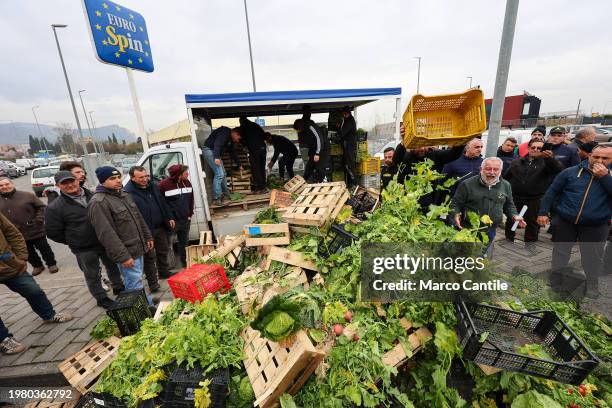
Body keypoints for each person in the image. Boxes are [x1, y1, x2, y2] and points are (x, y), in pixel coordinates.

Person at [537, 145, 612, 298]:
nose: (600, 160)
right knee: (560, 253)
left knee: (592, 257)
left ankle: (592, 284)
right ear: (590, 155)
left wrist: (605, 177)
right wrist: (543, 212)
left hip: (596, 224)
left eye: (605, 158)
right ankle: (556, 280)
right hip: (566, 220)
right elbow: (552, 191)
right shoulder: (571, 172)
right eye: (596, 157)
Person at [45, 171, 124, 309]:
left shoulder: (94, 196)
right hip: (83, 248)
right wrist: (74, 239)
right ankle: (101, 298)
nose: (70, 185)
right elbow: (53, 232)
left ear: (77, 180)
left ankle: (119, 287)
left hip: (104, 241)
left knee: (113, 266)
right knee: (92, 274)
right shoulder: (54, 207)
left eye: (72, 181)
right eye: (64, 183)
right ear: (58, 185)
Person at [0, 212, 72, 355]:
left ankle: (49, 315)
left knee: (33, 290)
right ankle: (3, 339)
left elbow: (12, 233)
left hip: (8, 264)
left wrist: (20, 258)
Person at [88, 166, 154, 298]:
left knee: (137, 280)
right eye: (112, 178)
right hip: (127, 252)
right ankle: (143, 311)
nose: (118, 180)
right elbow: (106, 234)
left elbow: (138, 217)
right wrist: (123, 256)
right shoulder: (99, 202)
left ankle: (145, 303)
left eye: (118, 177)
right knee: (134, 283)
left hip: (138, 247)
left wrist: (148, 236)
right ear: (102, 182)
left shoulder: (123, 194)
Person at [450, 157, 525, 255]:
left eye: (496, 169)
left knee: (480, 255)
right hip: (468, 229)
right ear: (481, 169)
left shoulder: (506, 185)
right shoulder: (467, 184)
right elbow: (455, 203)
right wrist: (455, 214)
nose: (492, 172)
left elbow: (509, 205)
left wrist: (515, 215)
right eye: (488, 169)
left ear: (501, 170)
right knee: (464, 256)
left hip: (490, 230)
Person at [503, 138, 564, 253]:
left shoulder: (546, 163)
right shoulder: (517, 161)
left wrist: (550, 158)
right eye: (533, 147)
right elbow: (506, 177)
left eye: (539, 148)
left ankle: (530, 245)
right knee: (512, 219)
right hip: (515, 196)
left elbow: (558, 169)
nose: (535, 149)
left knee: (532, 223)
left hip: (535, 198)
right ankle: (508, 238)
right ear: (529, 148)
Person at [125, 166, 176, 291]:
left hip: (160, 226)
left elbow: (162, 202)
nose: (145, 179)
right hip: (145, 230)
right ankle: (153, 283)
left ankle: (163, 271)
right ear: (133, 178)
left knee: (163, 250)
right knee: (149, 257)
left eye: (146, 176)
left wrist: (169, 217)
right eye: (141, 177)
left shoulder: (153, 186)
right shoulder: (128, 192)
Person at [0, 177, 58, 276]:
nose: (4, 187)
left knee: (44, 248)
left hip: (35, 229)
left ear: (12, 184)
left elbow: (42, 207)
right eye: (1, 185)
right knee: (28, 252)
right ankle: (37, 265)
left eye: (7, 184)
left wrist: (38, 220)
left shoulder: (27, 195)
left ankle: (51, 264)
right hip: (16, 235)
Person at [158, 164, 194, 268]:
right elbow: (161, 204)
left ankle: (185, 263)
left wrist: (190, 214)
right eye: (185, 172)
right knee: (168, 245)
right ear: (178, 175)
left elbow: (191, 199)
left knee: (184, 243)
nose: (187, 174)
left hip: (185, 220)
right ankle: (169, 266)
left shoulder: (187, 183)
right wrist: (169, 218)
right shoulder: (163, 185)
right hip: (172, 222)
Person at [202, 126, 242, 205]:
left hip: (214, 152)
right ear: (234, 133)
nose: (238, 140)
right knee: (219, 174)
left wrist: (239, 164)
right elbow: (217, 143)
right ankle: (217, 198)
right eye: (238, 138)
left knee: (223, 173)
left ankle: (226, 194)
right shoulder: (225, 132)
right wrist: (216, 157)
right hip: (209, 151)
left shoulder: (230, 140)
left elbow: (232, 152)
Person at [293, 119, 331, 183]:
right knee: (309, 168)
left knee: (320, 168)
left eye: (298, 129)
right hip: (315, 151)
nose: (298, 131)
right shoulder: (305, 130)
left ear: (300, 126)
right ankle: (302, 183)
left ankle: (325, 183)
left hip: (322, 150)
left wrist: (317, 153)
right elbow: (311, 142)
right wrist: (311, 153)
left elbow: (319, 139)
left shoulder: (311, 127)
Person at [239, 116, 268, 193]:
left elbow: (241, 139)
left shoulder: (243, 126)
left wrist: (245, 146)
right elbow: (264, 135)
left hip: (254, 149)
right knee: (262, 167)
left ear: (241, 121)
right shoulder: (255, 125)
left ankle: (259, 188)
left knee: (255, 168)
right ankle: (264, 187)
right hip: (263, 148)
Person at [339, 106, 358, 188]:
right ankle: (350, 184)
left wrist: (338, 129)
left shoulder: (350, 121)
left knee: (350, 165)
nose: (344, 115)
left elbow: (342, 133)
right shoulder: (346, 120)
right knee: (347, 165)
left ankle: (354, 184)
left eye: (345, 113)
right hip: (347, 147)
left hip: (350, 147)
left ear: (349, 113)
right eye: (343, 113)